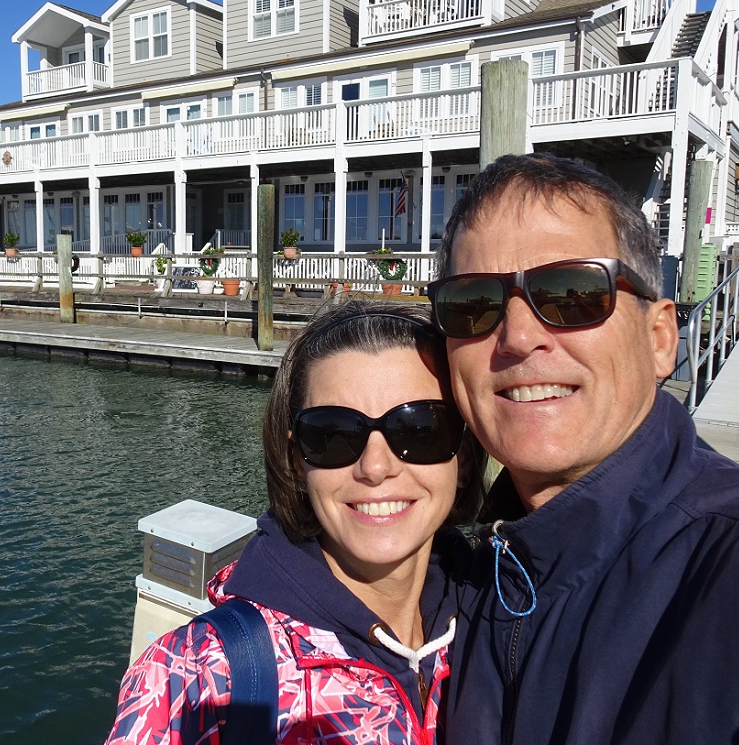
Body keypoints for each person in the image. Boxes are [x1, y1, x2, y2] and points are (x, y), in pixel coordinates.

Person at [426, 152, 739, 744]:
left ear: (660, 338)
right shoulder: (466, 577)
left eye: (571, 292)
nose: (517, 338)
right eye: (472, 304)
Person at [105, 303, 485, 744]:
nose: (375, 467)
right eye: (332, 434)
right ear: (294, 461)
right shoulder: (193, 678)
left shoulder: (504, 619)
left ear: (465, 453)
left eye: (420, 429)